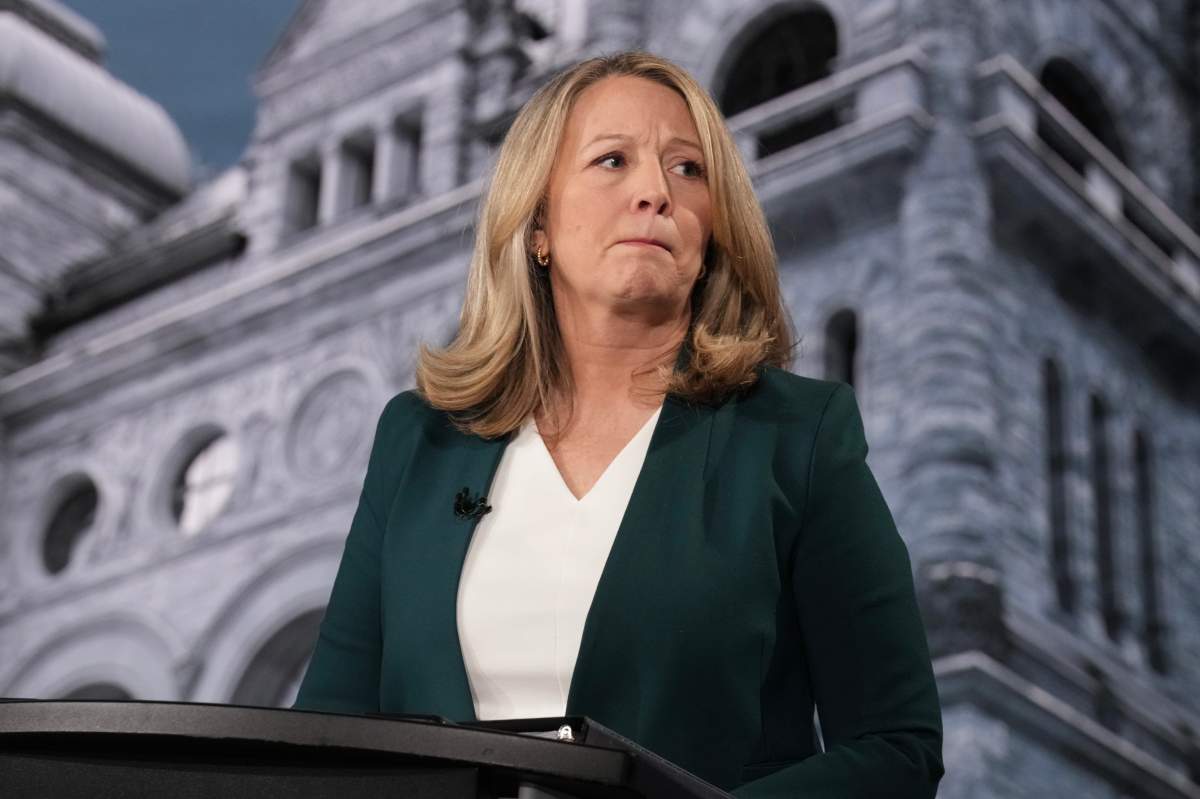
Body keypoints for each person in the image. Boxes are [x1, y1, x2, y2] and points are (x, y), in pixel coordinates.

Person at [293, 50, 944, 798]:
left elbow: (896, 747)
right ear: (537, 223)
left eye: (688, 170)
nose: (654, 193)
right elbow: (327, 739)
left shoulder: (798, 437)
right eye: (612, 161)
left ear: (711, 236)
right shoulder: (417, 441)